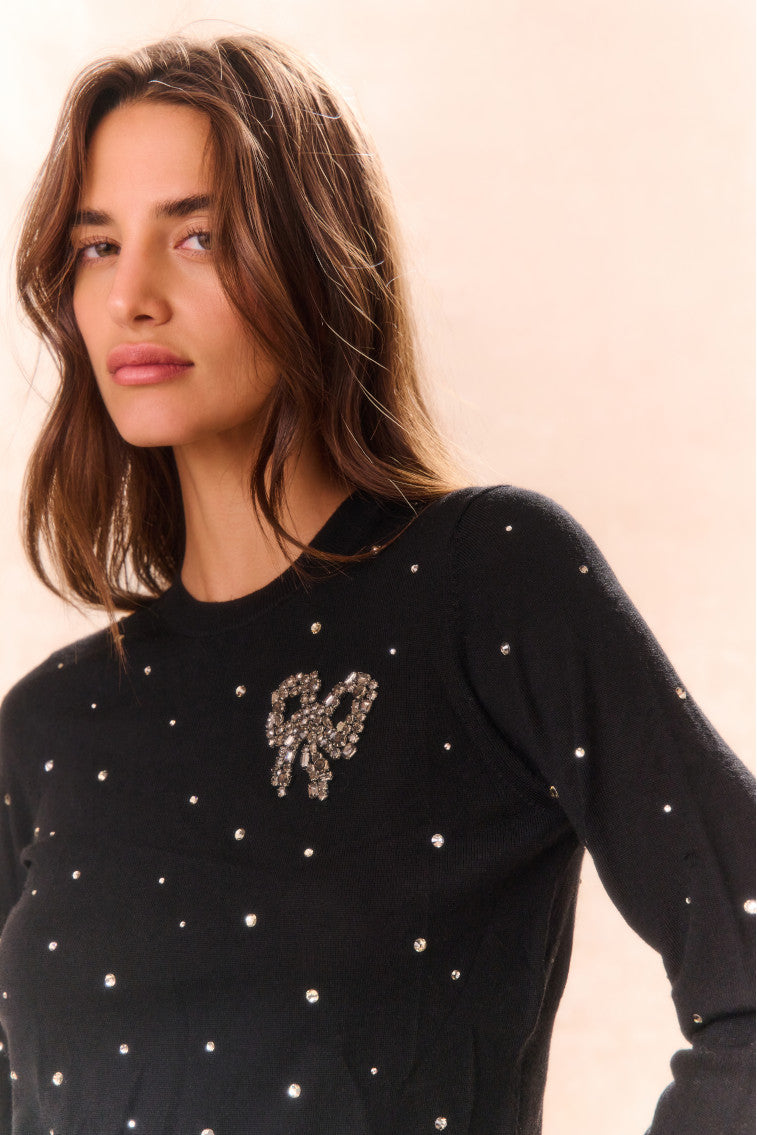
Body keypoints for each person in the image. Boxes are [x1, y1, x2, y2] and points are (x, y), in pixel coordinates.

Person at [0, 31, 753, 1135]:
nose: (133, 295)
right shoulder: (48, 726)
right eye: (97, 245)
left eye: (199, 236)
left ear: (313, 257)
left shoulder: (488, 584)